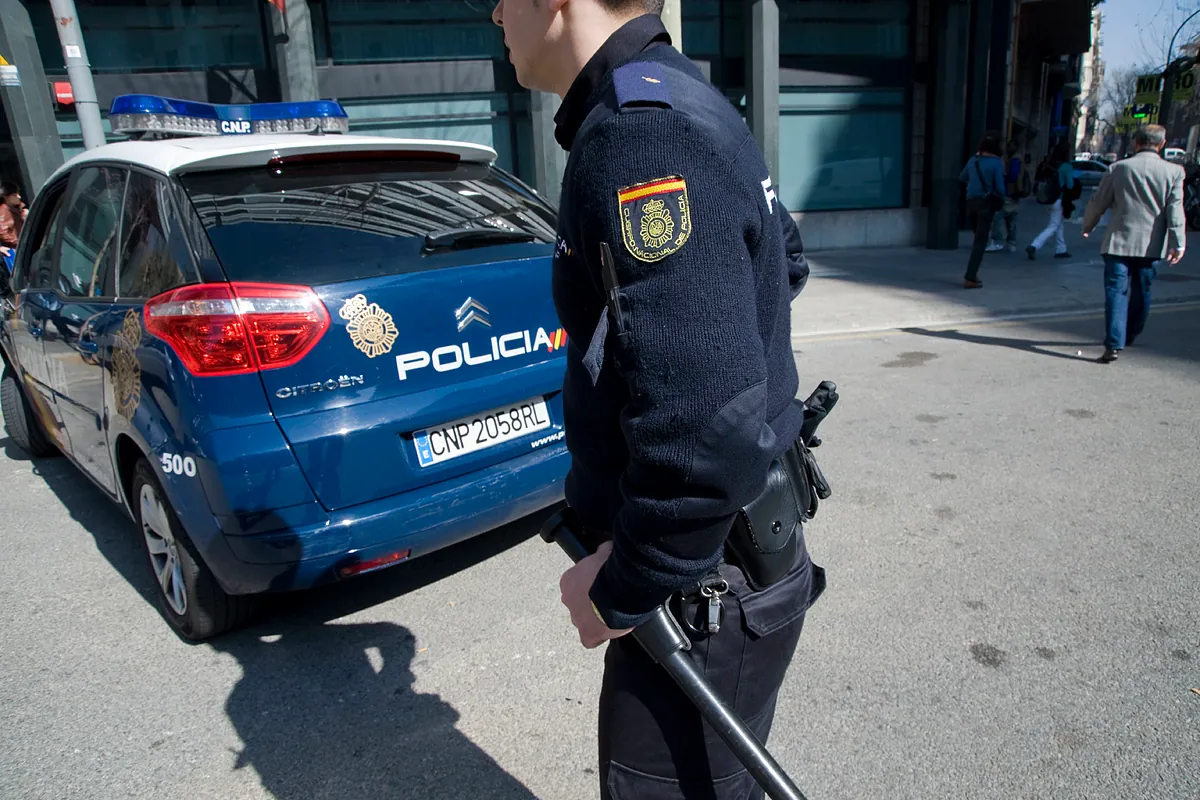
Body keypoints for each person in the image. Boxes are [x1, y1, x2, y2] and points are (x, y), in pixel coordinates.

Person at [491, 1, 825, 797]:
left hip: (704, 588)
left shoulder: (640, 132)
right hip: (738, 562)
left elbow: (711, 425)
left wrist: (627, 586)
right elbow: (788, 261)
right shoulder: (683, 95)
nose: (498, 15)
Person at [1081, 124, 1185, 364]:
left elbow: (1099, 202)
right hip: (1151, 245)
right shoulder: (1174, 172)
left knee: (1115, 292)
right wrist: (1177, 242)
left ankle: (1113, 344)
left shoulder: (1118, 169)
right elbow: (1175, 210)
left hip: (1118, 242)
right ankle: (1131, 333)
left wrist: (1088, 225)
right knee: (1142, 292)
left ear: (1136, 143)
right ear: (1161, 144)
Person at [958, 132, 1006, 288]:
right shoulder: (996, 163)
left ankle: (973, 275)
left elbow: (962, 177)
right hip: (985, 206)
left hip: (970, 204)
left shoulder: (974, 160)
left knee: (977, 239)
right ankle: (970, 277)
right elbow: (1000, 187)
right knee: (980, 242)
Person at [1026, 144, 1078, 260]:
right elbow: (1069, 185)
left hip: (1047, 197)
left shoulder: (1048, 164)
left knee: (1058, 224)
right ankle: (1034, 245)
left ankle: (1061, 249)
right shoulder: (1066, 167)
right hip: (1059, 199)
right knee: (1054, 225)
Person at [988, 140, 1026, 253]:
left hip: (1010, 191)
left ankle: (997, 240)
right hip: (1015, 192)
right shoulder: (1018, 158)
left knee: (998, 215)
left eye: (1009, 146)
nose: (1007, 148)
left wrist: (1005, 177)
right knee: (1012, 217)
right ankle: (1011, 242)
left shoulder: (1015, 159)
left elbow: (1013, 175)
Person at [0, 182, 26, 273]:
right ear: (6, 197)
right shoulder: (3, 212)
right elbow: (5, 234)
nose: (18, 197)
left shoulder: (18, 210)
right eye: (14, 195)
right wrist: (23, 243)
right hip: (14, 252)